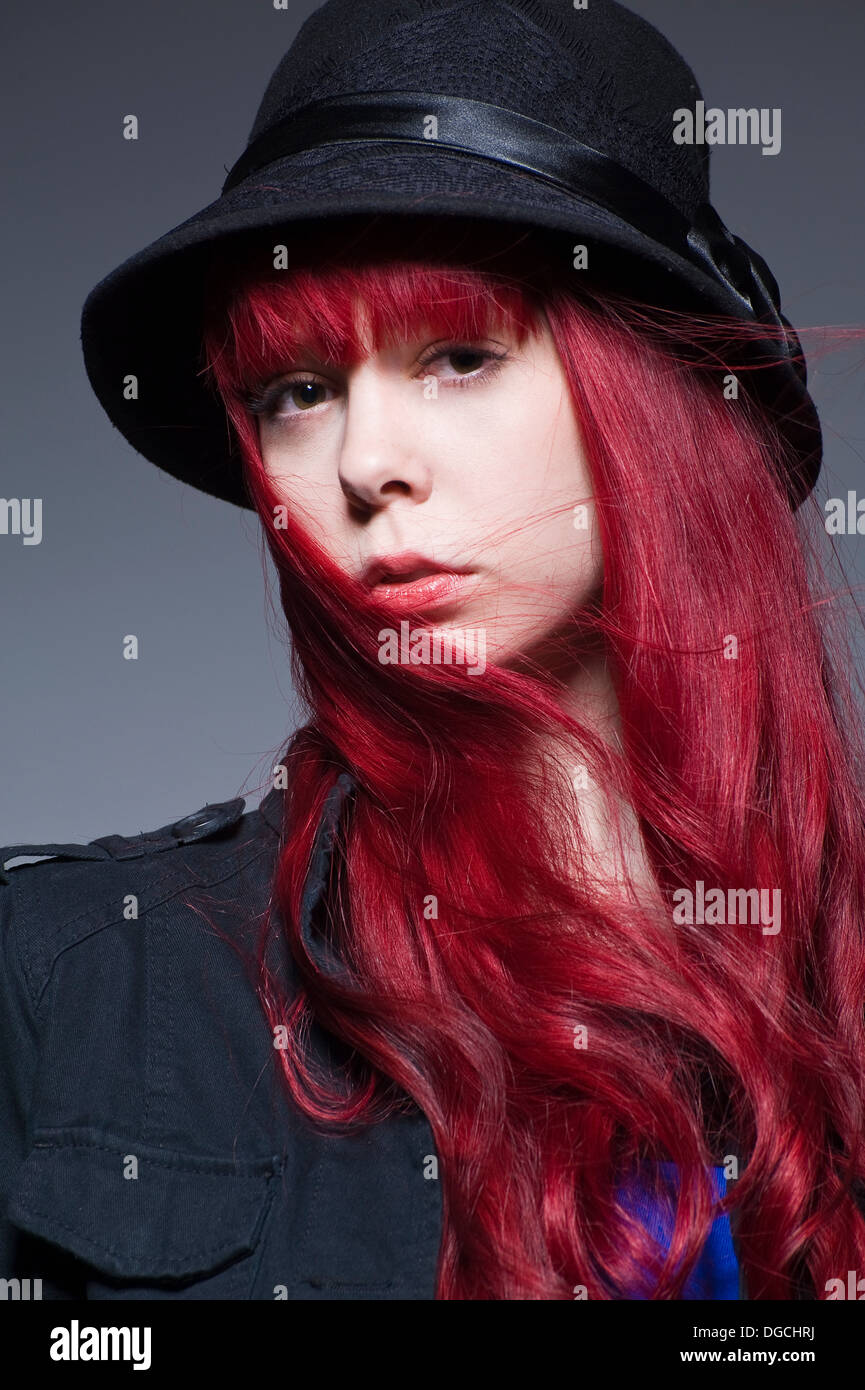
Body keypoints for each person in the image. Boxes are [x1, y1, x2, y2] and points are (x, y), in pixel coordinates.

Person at [2, 0, 864, 1302]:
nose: (359, 464)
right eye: (296, 392)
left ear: (659, 398)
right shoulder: (73, 979)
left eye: (457, 356)